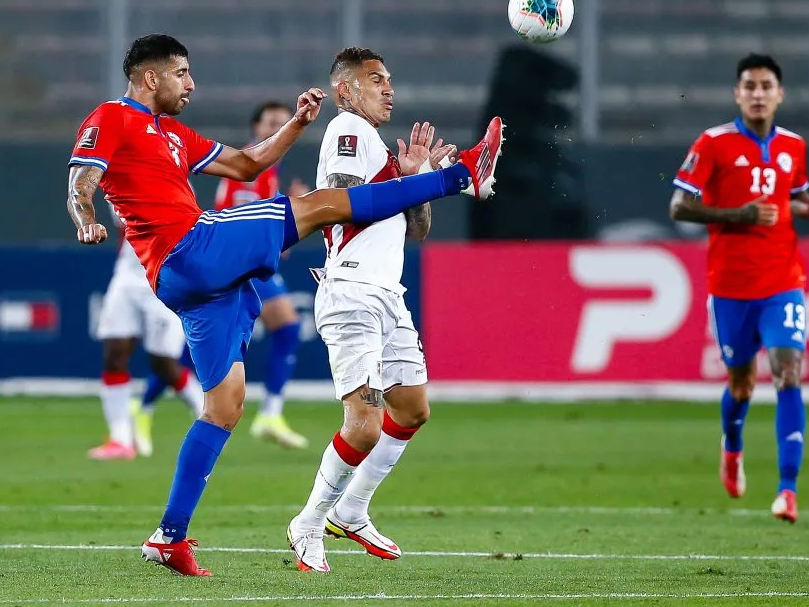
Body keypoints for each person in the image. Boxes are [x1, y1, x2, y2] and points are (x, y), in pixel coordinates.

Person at [66, 33, 503, 576]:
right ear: (151, 77)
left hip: (191, 280)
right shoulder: (112, 116)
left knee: (225, 405)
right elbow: (83, 176)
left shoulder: (173, 133)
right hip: (191, 246)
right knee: (318, 206)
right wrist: (84, 215)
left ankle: (168, 536)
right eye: (182, 72)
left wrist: (295, 124)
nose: (191, 83)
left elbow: (247, 165)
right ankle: (462, 174)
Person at [287, 47, 458, 573]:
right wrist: (414, 181)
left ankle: (352, 509)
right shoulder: (347, 131)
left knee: (412, 410)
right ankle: (309, 522)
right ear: (346, 90)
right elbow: (341, 200)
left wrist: (415, 183)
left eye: (389, 80)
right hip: (352, 292)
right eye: (375, 80)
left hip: (388, 293)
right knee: (364, 423)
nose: (388, 89)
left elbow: (418, 231)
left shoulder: (378, 145)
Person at [669, 53, 809, 524]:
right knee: (741, 386)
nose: (759, 93)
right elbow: (680, 207)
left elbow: (789, 197)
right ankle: (733, 446)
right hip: (729, 286)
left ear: (780, 94)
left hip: (783, 280)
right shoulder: (714, 144)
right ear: (737, 94)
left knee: (788, 373)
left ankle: (788, 491)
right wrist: (736, 215)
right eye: (750, 85)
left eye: (767, 85)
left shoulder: (793, 146)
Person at [214, 101, 309, 449]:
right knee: (282, 327)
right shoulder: (250, 166)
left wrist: (294, 212)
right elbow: (235, 219)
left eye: (286, 124)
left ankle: (270, 413)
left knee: (275, 329)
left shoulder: (269, 171)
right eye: (272, 123)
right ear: (256, 128)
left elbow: (276, 242)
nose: (279, 130)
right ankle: (268, 413)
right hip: (241, 263)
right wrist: (295, 213)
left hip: (250, 262)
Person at [90, 201, 204, 460]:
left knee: (164, 363)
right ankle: (120, 440)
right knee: (114, 352)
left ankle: (206, 415)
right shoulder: (117, 181)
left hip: (162, 276)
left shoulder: (173, 181)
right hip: (127, 277)